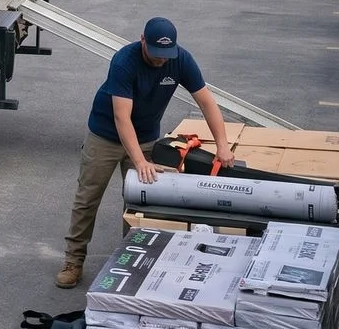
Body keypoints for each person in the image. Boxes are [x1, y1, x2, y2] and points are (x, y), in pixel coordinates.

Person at [57, 16, 231, 289]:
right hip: (106, 136)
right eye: (156, 53)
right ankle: (73, 261)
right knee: (88, 198)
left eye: (166, 54)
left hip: (147, 136)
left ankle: (129, 260)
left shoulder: (181, 59)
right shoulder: (125, 61)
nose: (161, 60)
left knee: (140, 202)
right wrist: (139, 160)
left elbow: (207, 101)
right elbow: (121, 118)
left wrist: (222, 144)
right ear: (142, 41)